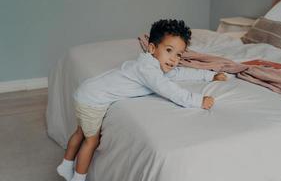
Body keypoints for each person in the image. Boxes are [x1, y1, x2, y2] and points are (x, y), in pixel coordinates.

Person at [57, 19, 227, 181]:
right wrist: (198, 101)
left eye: (179, 55)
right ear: (152, 48)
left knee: (81, 132)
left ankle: (66, 165)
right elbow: (169, 90)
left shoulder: (152, 64)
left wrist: (210, 76)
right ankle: (78, 178)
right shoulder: (148, 70)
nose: (174, 59)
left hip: (87, 92)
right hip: (92, 101)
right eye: (169, 50)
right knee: (91, 140)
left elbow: (180, 73)